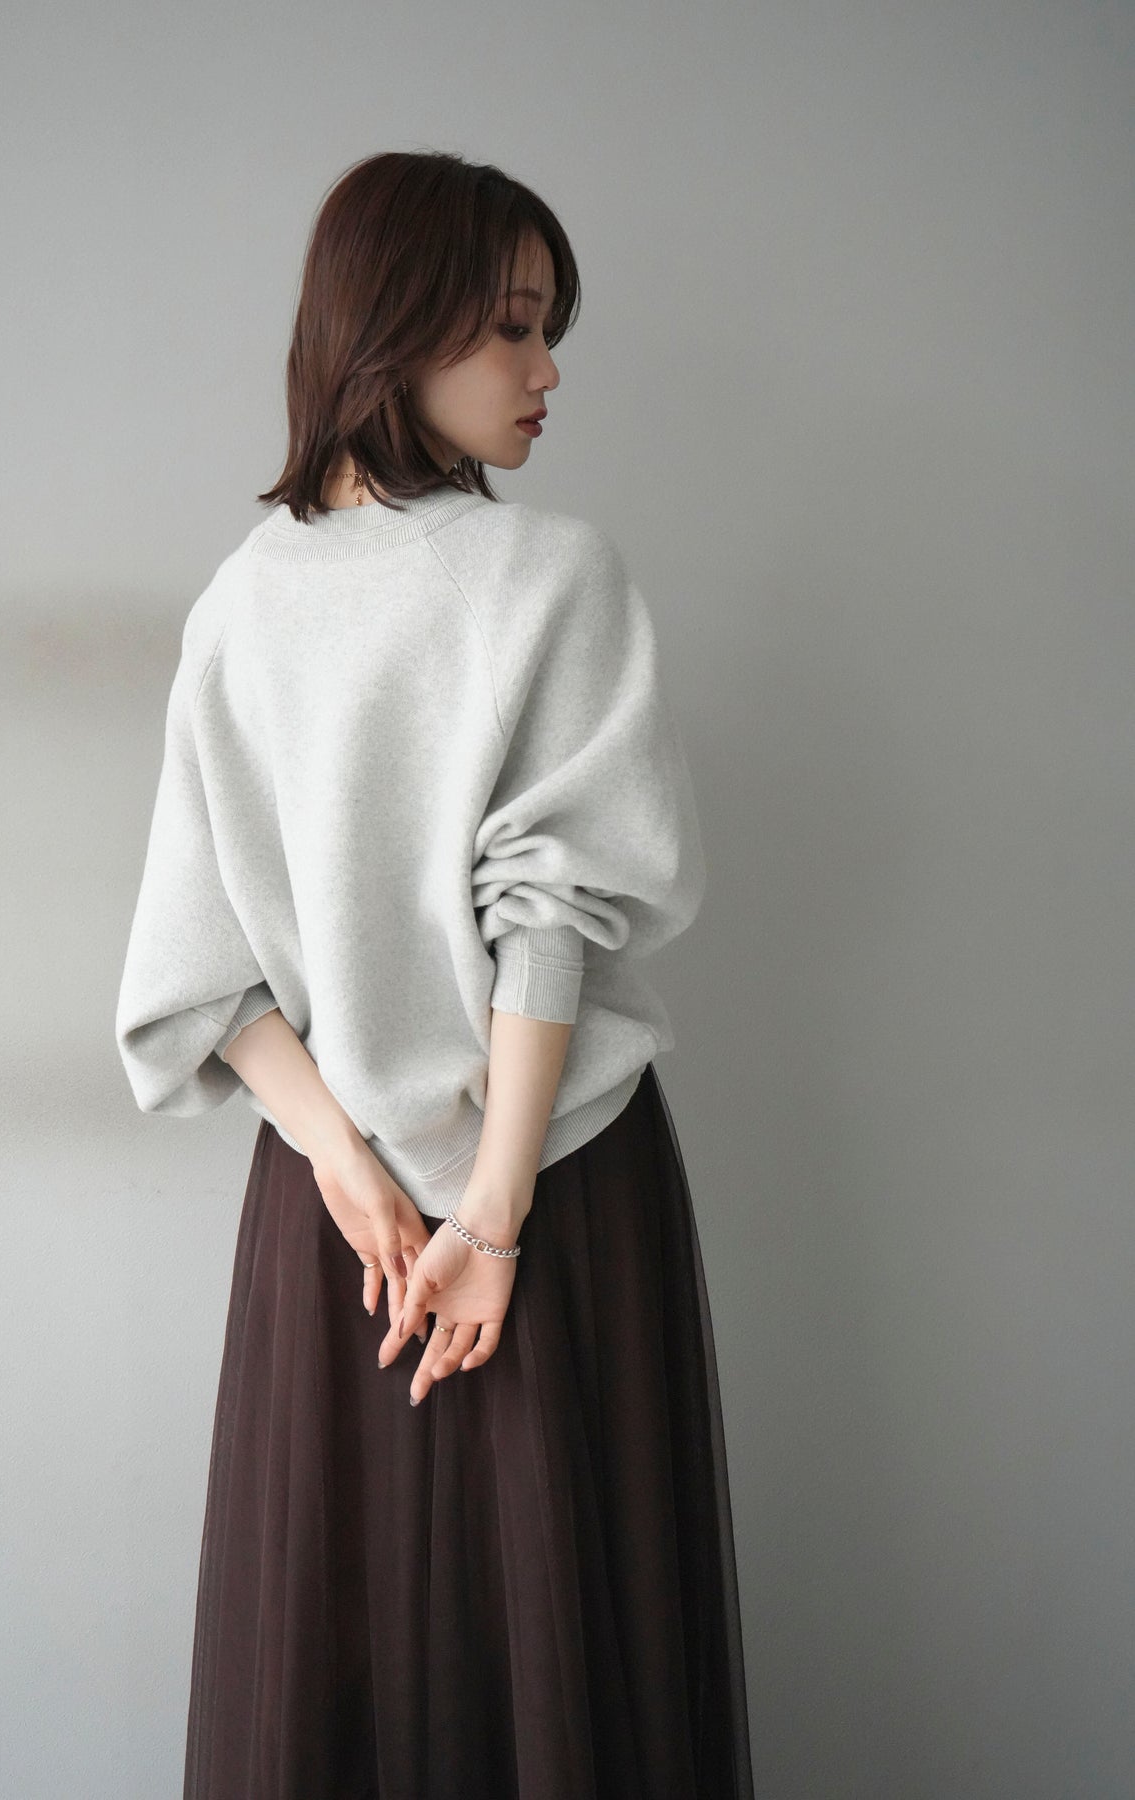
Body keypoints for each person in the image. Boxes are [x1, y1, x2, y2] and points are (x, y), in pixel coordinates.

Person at [115, 148, 754, 1800]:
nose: (547, 373)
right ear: (397, 326)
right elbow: (551, 912)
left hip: (342, 1227)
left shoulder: (236, 603)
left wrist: (348, 1168)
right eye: (514, 327)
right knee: (566, 1633)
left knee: (340, 1640)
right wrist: (488, 1215)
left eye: (549, 332)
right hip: (548, 1186)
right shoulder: (546, 574)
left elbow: (206, 975)